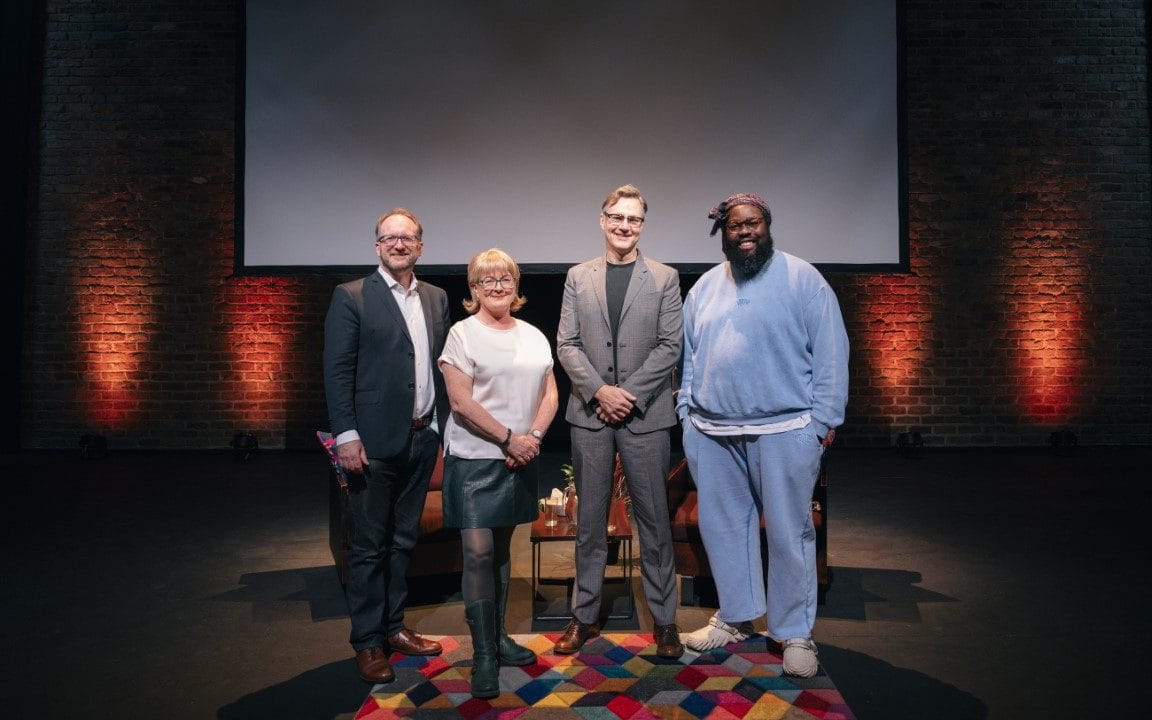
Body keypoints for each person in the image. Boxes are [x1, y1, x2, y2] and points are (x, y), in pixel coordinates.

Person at [677, 192, 849, 678]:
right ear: (723, 233)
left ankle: (794, 631)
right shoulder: (706, 288)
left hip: (786, 428)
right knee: (723, 528)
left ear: (767, 226)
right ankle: (735, 617)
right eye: (735, 226)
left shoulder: (803, 279)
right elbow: (689, 360)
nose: (745, 232)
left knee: (791, 532)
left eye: (753, 224)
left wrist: (821, 424)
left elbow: (832, 355)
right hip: (713, 432)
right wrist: (687, 416)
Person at [555, 184, 684, 658]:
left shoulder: (665, 278)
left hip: (645, 417)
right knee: (589, 523)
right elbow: (566, 343)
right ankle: (583, 616)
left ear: (642, 225)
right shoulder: (577, 276)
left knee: (653, 522)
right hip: (590, 416)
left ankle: (665, 622)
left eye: (634, 219)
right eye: (617, 217)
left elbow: (671, 345)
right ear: (602, 219)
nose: (624, 225)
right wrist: (599, 392)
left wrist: (626, 395)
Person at [323, 208, 449, 684]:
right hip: (371, 444)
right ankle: (368, 642)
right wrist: (346, 436)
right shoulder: (351, 297)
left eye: (408, 238)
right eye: (389, 238)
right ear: (377, 245)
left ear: (420, 245)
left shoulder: (436, 298)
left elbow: (438, 365)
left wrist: (440, 428)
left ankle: (395, 627)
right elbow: (337, 373)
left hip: (422, 437)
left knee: (403, 541)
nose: (398, 244)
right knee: (368, 547)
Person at [438, 248, 559, 698]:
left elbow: (550, 392)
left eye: (504, 279)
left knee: (504, 550)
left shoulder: (532, 335)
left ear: (516, 285)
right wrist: (509, 438)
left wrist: (534, 437)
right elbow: (460, 403)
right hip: (474, 458)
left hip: (521, 455)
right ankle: (483, 654)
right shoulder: (461, 335)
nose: (496, 287)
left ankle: (500, 638)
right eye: (485, 281)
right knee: (479, 552)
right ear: (472, 289)